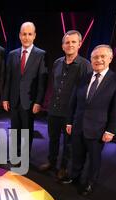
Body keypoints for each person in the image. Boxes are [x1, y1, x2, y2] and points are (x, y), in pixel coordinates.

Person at [60, 45, 116, 196]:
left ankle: (90, 183)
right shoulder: (83, 78)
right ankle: (73, 176)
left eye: (103, 56)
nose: (99, 60)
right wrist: (69, 122)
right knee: (77, 154)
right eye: (95, 57)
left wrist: (111, 131)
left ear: (110, 58)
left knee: (94, 159)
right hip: (78, 125)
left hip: (98, 129)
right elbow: (73, 102)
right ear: (91, 60)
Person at [39, 30, 92, 179]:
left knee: (68, 143)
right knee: (53, 139)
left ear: (79, 44)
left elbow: (84, 94)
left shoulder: (85, 65)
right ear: (63, 46)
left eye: (73, 42)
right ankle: (51, 162)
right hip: (54, 110)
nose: (70, 45)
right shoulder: (57, 63)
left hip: (71, 113)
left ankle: (63, 167)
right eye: (67, 42)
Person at [2, 22, 47, 157]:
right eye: (24, 34)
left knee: (27, 130)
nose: (26, 37)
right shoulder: (12, 54)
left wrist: (39, 102)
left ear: (34, 36)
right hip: (14, 100)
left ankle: (25, 156)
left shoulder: (41, 54)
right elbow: (8, 78)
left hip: (30, 101)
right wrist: (5, 98)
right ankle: (15, 154)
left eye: (29, 34)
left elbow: (42, 81)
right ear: (20, 36)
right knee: (15, 130)